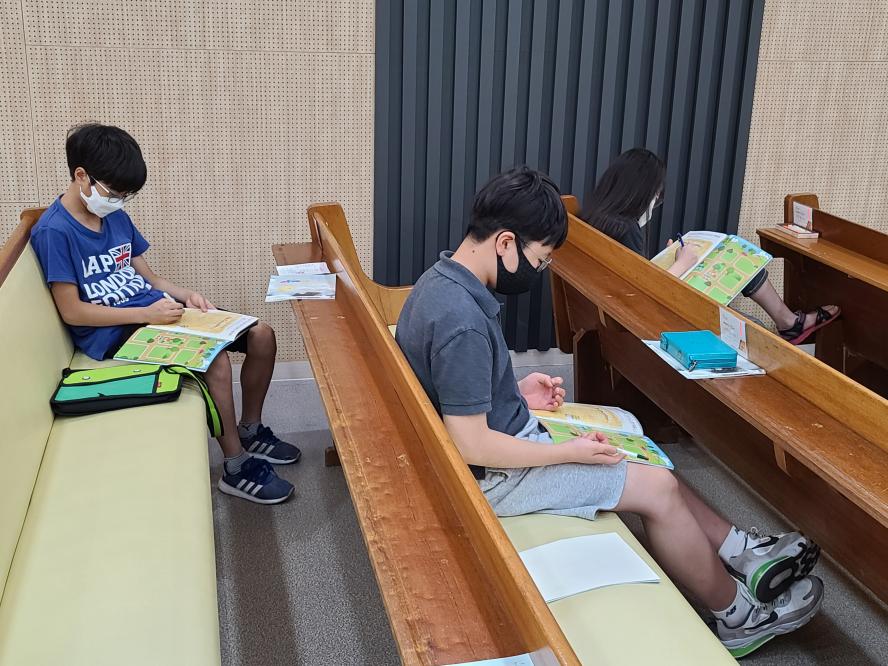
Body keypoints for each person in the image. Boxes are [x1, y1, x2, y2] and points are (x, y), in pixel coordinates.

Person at [395, 166, 823, 657]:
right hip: (495, 477)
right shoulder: (463, 322)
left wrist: (514, 392)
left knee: (646, 457)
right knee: (658, 488)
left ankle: (739, 551)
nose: (540, 271)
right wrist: (568, 452)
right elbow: (471, 443)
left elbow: (455, 390)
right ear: (506, 242)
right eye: (541, 260)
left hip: (499, 447)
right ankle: (739, 616)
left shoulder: (439, 283)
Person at [31, 123, 299, 505]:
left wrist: (185, 295)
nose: (119, 201)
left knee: (262, 335)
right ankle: (236, 466)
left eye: (126, 195)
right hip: (114, 332)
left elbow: (150, 278)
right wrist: (146, 313)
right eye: (115, 193)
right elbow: (72, 312)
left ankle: (251, 429)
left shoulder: (114, 217)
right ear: (81, 176)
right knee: (215, 360)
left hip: (156, 311)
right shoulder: (54, 231)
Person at [581, 148, 839, 344]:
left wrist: (674, 260)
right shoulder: (626, 228)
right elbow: (643, 292)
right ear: (641, 194)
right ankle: (788, 322)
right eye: (656, 197)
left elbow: (631, 278)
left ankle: (788, 321)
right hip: (640, 322)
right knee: (739, 276)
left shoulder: (595, 218)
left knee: (732, 265)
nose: (654, 205)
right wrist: (683, 263)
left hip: (616, 314)